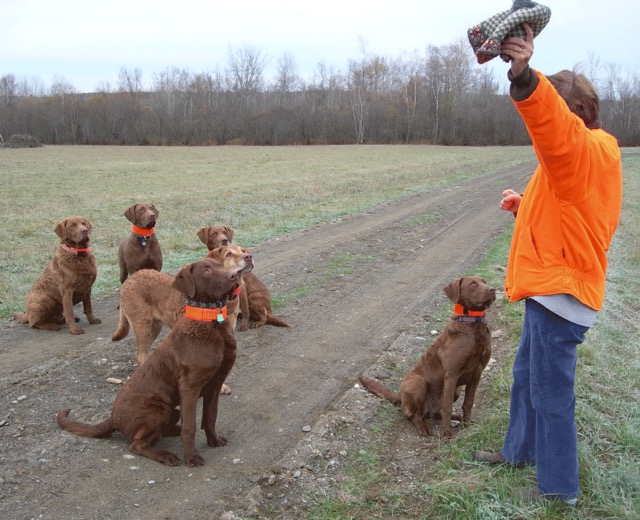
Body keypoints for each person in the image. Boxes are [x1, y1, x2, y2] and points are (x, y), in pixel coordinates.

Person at [473, 24, 623, 508]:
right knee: (524, 378)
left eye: (559, 110)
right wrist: (523, 206)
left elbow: (556, 134)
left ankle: (560, 490)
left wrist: (524, 74)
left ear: (574, 114)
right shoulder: (582, 160)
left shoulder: (584, 148)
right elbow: (569, 209)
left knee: (551, 395)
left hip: (562, 298)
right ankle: (519, 452)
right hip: (551, 291)